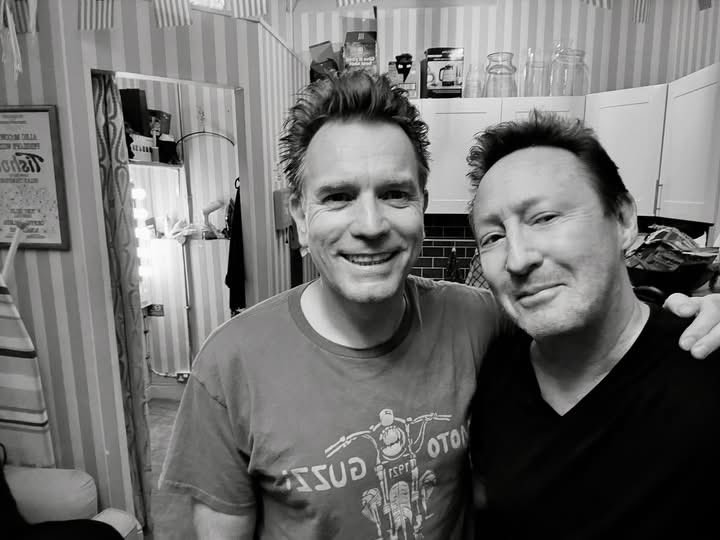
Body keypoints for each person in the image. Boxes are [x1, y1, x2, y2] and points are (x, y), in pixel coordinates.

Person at [160, 73, 720, 540]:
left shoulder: (482, 321)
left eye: (395, 194)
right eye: (338, 196)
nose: (371, 225)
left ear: (422, 208)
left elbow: (593, 312)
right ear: (301, 218)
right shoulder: (230, 365)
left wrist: (695, 307)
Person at [468, 111, 720, 538]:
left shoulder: (705, 365)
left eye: (545, 217)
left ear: (622, 220)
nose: (517, 259)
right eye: (493, 237)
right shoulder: (491, 373)